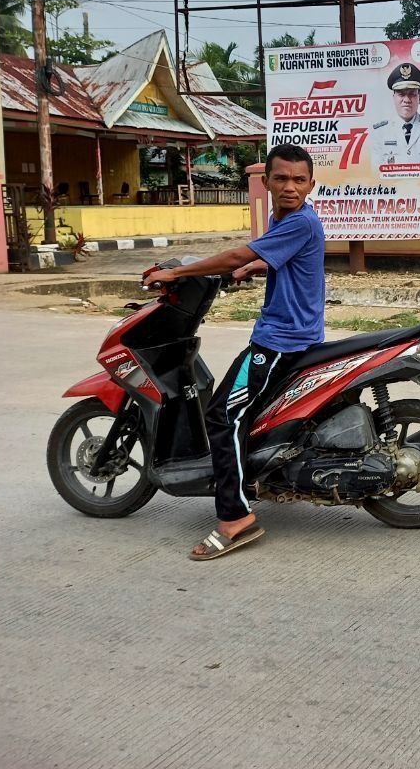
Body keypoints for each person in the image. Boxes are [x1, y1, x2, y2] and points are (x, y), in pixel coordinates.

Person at [143, 144, 327, 562]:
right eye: (281, 178)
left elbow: (235, 253)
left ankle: (235, 519)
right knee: (243, 414)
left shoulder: (297, 222)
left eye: (299, 180)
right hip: (294, 334)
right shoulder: (288, 222)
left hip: (281, 342)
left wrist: (177, 271)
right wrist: (250, 269)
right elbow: (267, 258)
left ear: (312, 184)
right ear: (266, 183)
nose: (290, 187)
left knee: (222, 417)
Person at [370, 63, 420, 168]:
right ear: (394, 98)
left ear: (419, 97)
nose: (406, 100)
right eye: (401, 94)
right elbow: (377, 175)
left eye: (412, 94)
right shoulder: (380, 132)